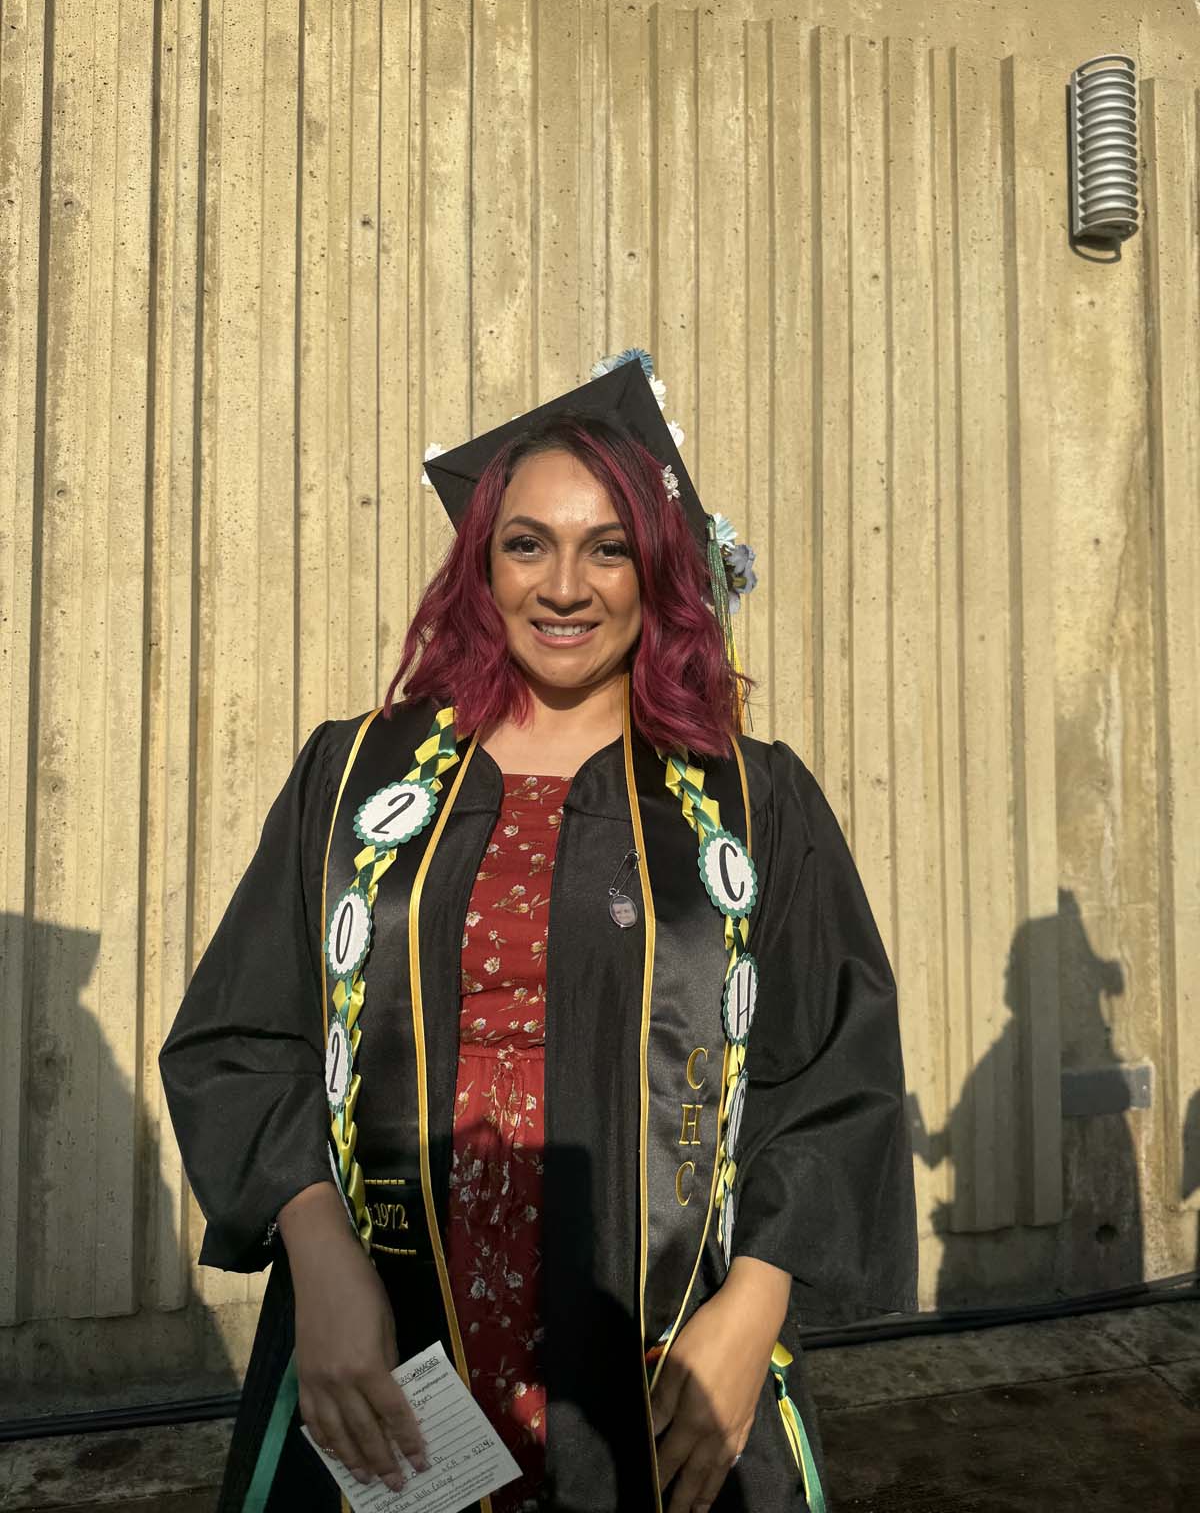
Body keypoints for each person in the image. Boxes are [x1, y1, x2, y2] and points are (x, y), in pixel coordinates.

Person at [160, 351, 917, 1513]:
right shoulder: (356, 779)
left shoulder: (750, 806)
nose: (565, 585)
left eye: (608, 545)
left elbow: (834, 1075)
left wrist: (752, 1307)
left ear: (656, 569)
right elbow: (244, 1037)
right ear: (482, 564)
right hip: (383, 1345)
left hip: (665, 1366)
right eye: (528, 544)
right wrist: (316, 1250)